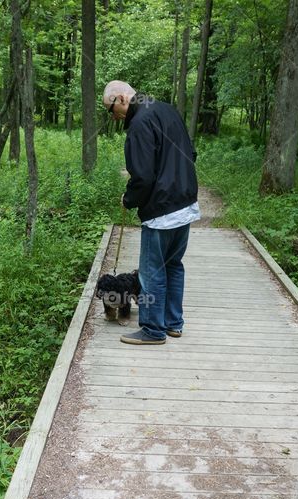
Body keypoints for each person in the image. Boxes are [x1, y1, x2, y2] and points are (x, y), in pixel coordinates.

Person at [103, 80, 199, 345]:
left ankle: (153, 330)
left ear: (122, 97)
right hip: (185, 204)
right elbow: (191, 153)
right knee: (173, 266)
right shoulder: (167, 109)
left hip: (162, 211)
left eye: (111, 109)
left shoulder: (139, 124)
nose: (113, 117)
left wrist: (129, 198)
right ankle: (173, 324)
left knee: (151, 271)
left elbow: (143, 176)